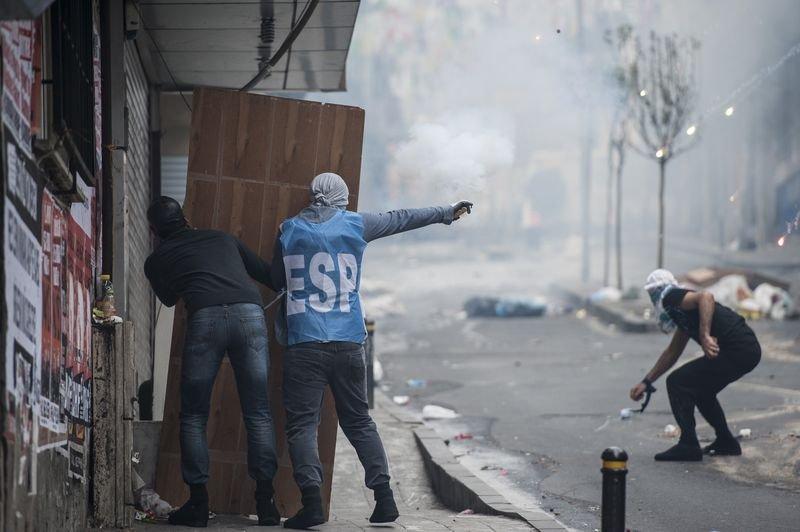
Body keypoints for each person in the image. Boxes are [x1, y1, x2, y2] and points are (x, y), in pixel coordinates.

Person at [271, 172, 472, 529]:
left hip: (304, 342)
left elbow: (276, 280)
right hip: (348, 340)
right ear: (340, 198)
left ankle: (313, 505)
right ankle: (384, 499)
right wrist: (446, 211)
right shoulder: (355, 224)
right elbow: (401, 218)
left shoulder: (288, 231)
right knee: (359, 421)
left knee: (303, 425)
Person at [144, 196, 280, 527]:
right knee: (259, 412)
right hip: (249, 314)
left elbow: (169, 299)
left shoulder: (157, 259)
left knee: (193, 415)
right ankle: (266, 505)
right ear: (185, 218)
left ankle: (198, 504)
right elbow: (269, 275)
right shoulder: (222, 238)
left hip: (205, 318)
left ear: (153, 230)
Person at [630, 269, 761, 462]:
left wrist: (704, 334)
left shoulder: (671, 297)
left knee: (677, 381)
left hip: (738, 348)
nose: (654, 298)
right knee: (701, 390)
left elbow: (706, 296)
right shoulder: (682, 314)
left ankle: (688, 445)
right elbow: (672, 353)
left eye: (653, 293)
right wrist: (646, 381)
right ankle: (726, 441)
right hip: (746, 350)